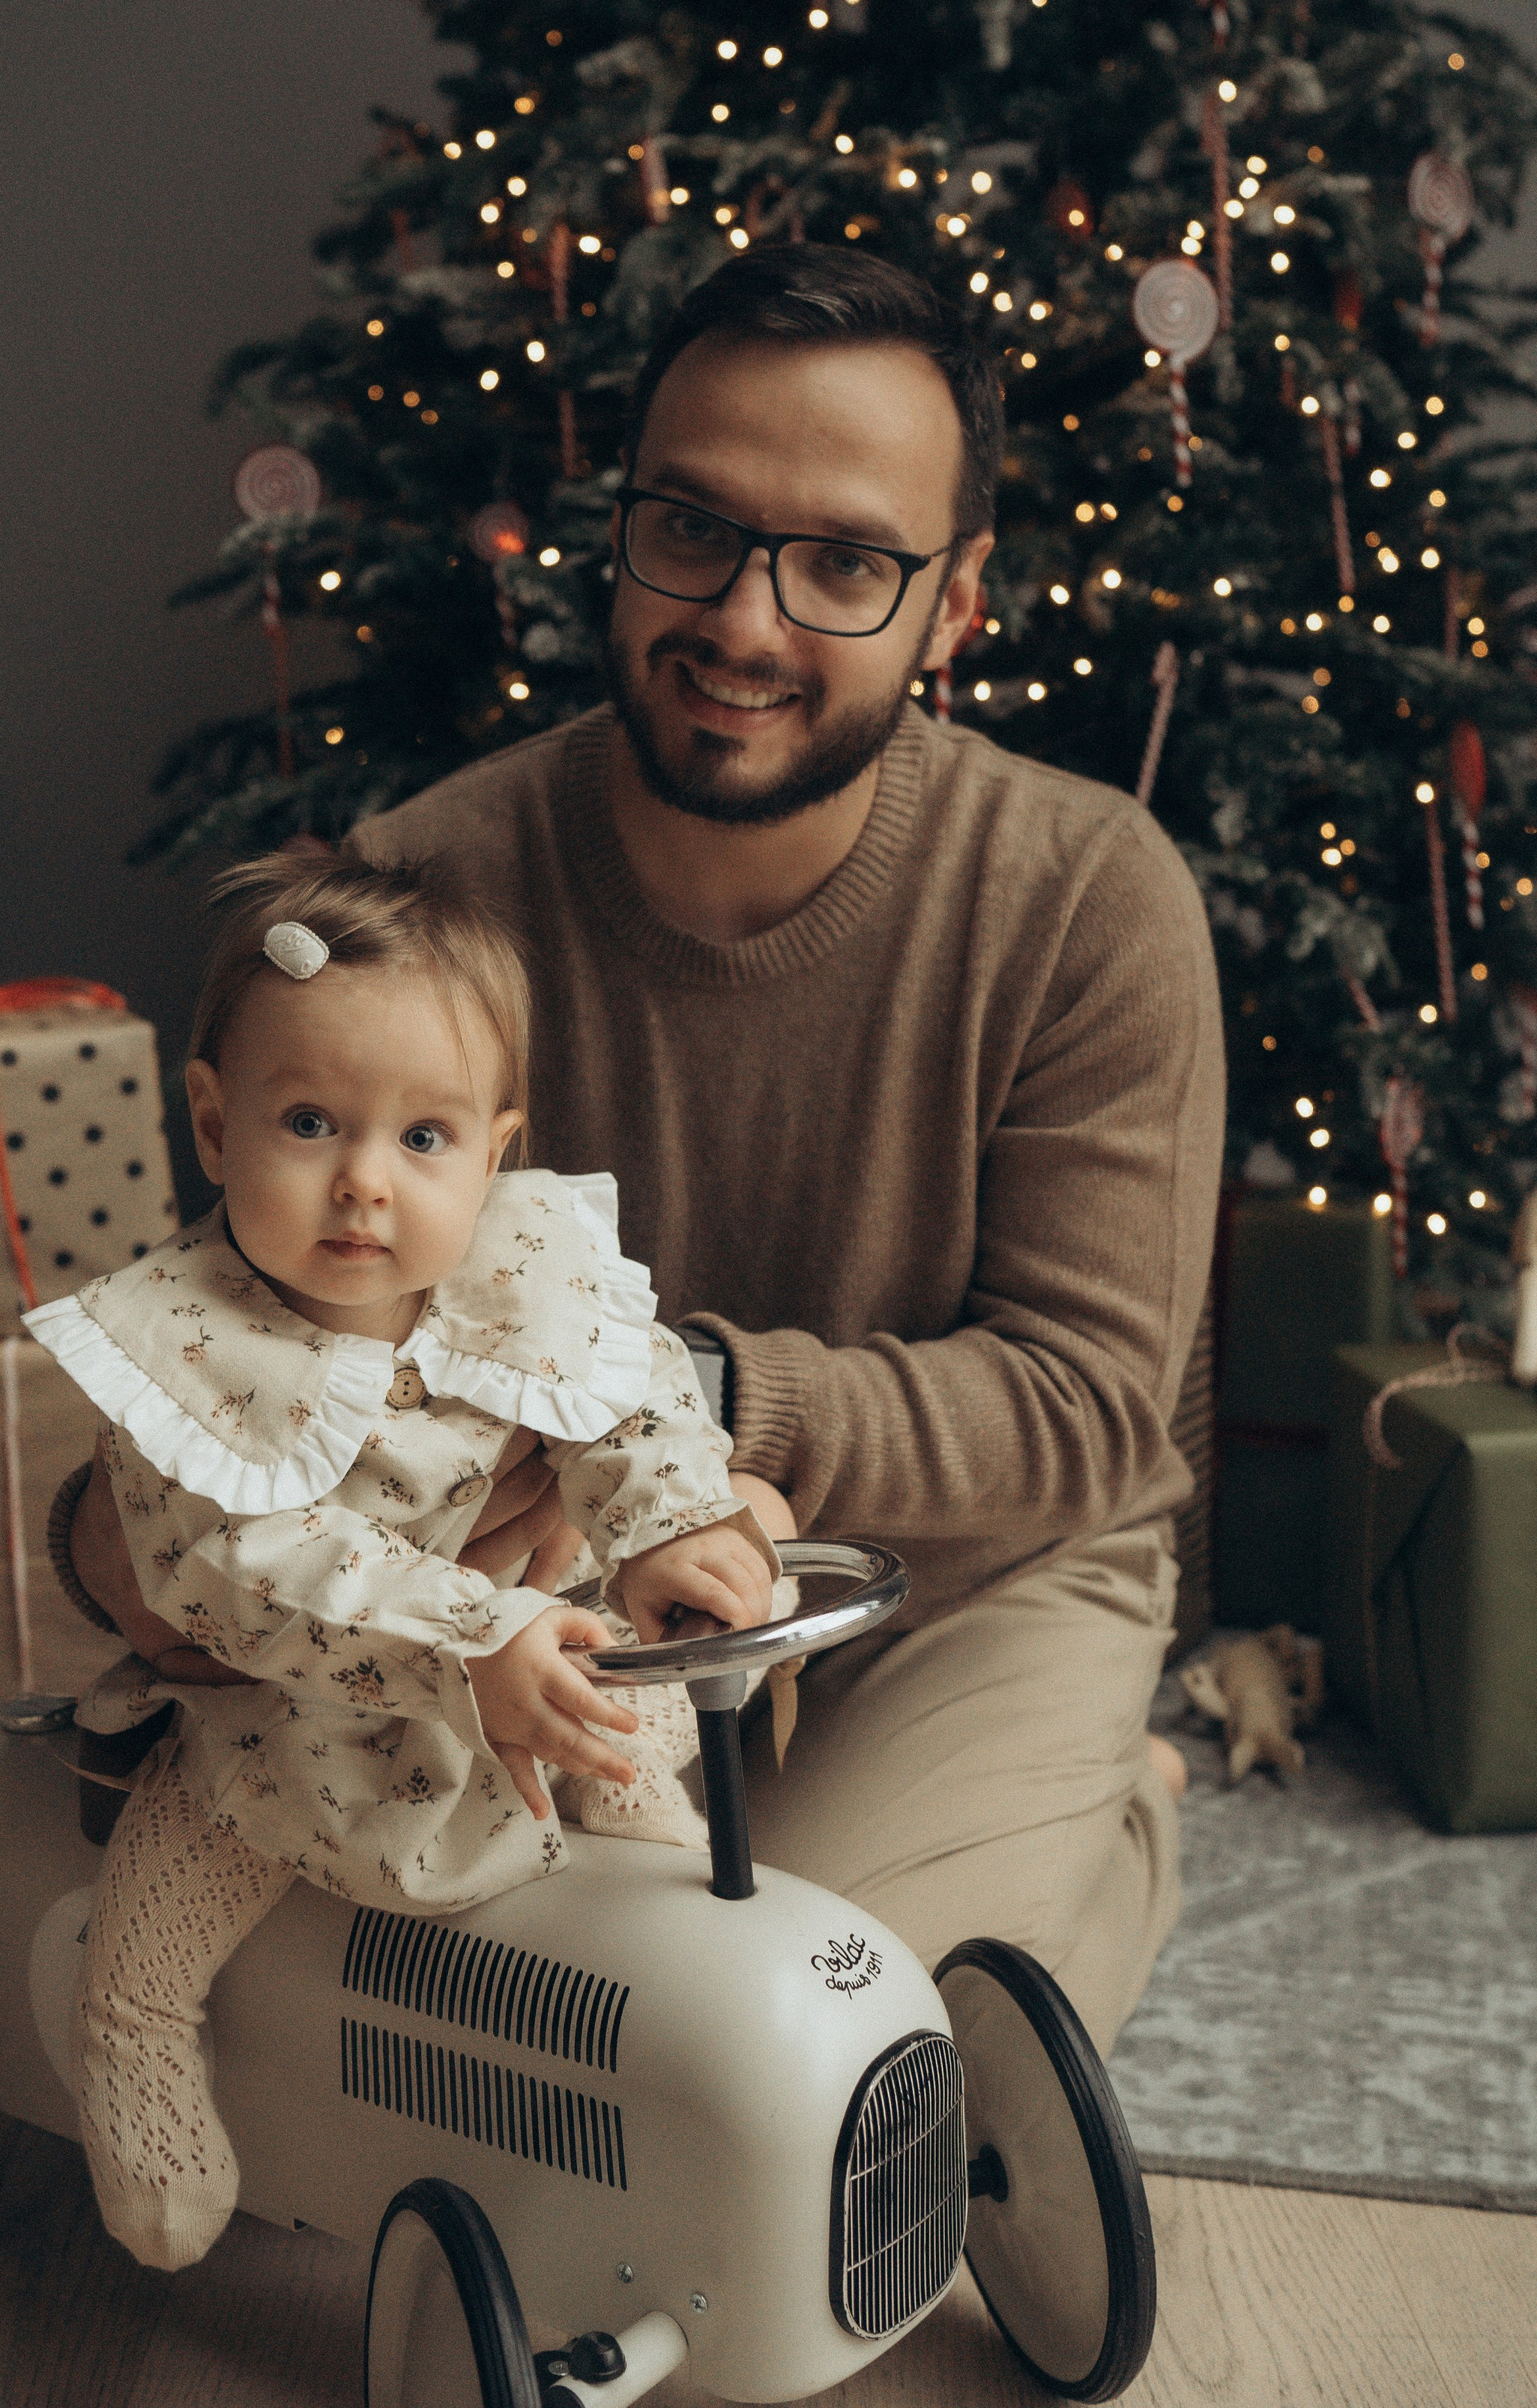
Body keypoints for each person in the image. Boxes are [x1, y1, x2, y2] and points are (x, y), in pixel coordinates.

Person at [67, 243, 1222, 2057]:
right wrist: (122, 1550)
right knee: (481, 2011)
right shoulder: (420, 891)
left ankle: (1110, 1789)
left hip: (968, 1568)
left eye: (843, 562)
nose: (748, 622)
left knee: (800, 2040)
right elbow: (253, 1314)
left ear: (956, 603)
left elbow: (1085, 1409)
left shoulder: (1083, 898)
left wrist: (690, 1400)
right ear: (617, 532)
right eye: (692, 527)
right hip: (553, 1584)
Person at [29, 849, 779, 2269]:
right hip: (300, 1707)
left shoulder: (524, 1266)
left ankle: (697, 2029)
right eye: (310, 1122)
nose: (366, 1185)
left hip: (546, 1668)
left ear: (495, 1149)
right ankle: (131, 2035)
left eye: (424, 1140)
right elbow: (249, 1569)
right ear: (212, 1121)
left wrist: (674, 1526)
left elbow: (628, 1406)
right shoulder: (186, 1347)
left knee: (650, 1801)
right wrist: (461, 1638)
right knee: (176, 1873)